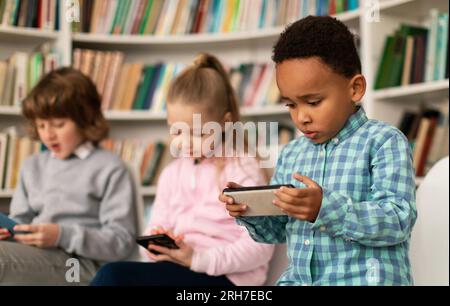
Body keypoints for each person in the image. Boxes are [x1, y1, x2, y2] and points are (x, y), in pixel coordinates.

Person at [220, 16, 417, 286]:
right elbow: (279, 231)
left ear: (355, 88)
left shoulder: (384, 142)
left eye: (313, 102)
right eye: (290, 105)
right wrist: (251, 212)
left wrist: (324, 208)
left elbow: (398, 221)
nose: (301, 117)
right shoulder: (292, 154)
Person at [91, 53, 275, 286]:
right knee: (114, 275)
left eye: (198, 133)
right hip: (179, 269)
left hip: (227, 279)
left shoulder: (242, 169)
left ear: (225, 123)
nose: (185, 143)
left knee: (112, 277)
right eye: (177, 131)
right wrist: (157, 245)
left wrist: (198, 259)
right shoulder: (172, 173)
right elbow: (155, 225)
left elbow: (260, 247)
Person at [0, 68, 136, 285]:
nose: (48, 134)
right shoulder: (32, 166)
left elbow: (121, 241)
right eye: (41, 125)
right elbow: (20, 223)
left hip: (78, 267)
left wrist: (61, 235)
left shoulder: (110, 168)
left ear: (85, 118)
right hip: (36, 257)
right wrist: (9, 232)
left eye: (58, 124)